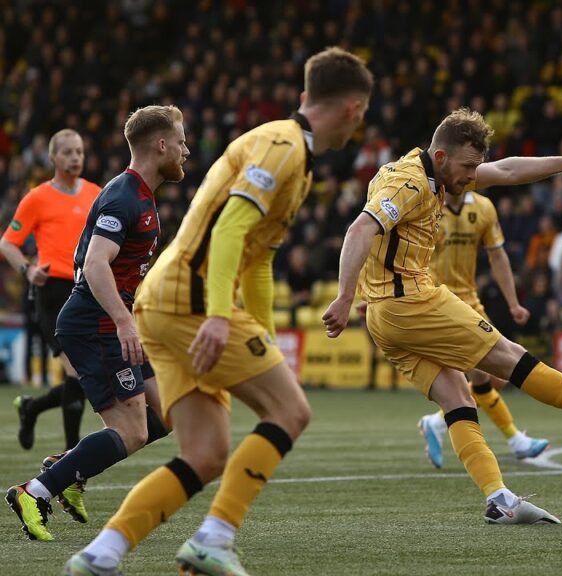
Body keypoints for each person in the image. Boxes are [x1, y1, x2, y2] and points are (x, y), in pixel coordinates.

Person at [63, 48, 373, 576]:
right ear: (352, 109)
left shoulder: (284, 150)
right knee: (291, 412)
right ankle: (214, 538)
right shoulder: (284, 148)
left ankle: (100, 555)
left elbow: (258, 261)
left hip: (163, 301)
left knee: (205, 454)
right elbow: (230, 229)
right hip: (191, 300)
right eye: (363, 113)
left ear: (305, 97)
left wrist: (265, 336)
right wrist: (217, 315)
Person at [322, 109, 562, 525]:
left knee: (458, 400)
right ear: (440, 156)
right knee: (513, 359)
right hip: (412, 301)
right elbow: (359, 230)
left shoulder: (430, 173)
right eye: (468, 167)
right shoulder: (407, 182)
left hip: (388, 318)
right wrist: (343, 297)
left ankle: (500, 500)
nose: (473, 176)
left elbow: (508, 170)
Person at [6, 106, 185, 542]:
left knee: (168, 411)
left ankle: (67, 468)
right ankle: (36, 491)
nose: (185, 151)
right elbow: (95, 262)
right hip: (95, 326)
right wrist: (124, 322)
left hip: (109, 321)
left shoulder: (137, 194)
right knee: (132, 431)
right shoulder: (125, 197)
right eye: (180, 142)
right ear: (160, 145)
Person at [416, 168, 549, 468]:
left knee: (495, 378)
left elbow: (497, 256)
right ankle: (516, 440)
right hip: (437, 302)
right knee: (480, 376)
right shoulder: (427, 207)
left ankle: (436, 424)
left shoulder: (484, 209)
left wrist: (513, 302)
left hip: (470, 301)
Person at [1, 129, 100, 452]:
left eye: (79, 152)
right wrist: (28, 269)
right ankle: (72, 459)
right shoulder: (37, 198)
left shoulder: (96, 195)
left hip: (86, 289)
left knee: (84, 377)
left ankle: (31, 408)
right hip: (52, 292)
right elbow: (8, 242)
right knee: (76, 371)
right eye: (68, 152)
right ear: (53, 158)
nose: (75, 158)